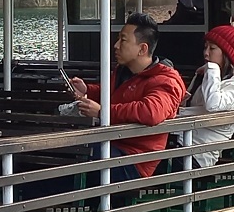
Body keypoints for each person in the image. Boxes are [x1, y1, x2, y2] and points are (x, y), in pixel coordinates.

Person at [65, 13, 187, 180]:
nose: (116, 45)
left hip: (135, 160)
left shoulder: (166, 81)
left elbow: (151, 111)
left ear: (142, 49)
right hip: (111, 145)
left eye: (123, 40)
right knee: (68, 151)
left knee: (78, 153)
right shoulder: (123, 72)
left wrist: (103, 112)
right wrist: (88, 90)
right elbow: (116, 95)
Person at [178, 23, 234, 168]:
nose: (206, 53)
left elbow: (213, 104)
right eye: (205, 47)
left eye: (212, 48)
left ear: (226, 53)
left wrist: (212, 68)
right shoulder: (206, 76)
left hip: (198, 155)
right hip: (179, 142)